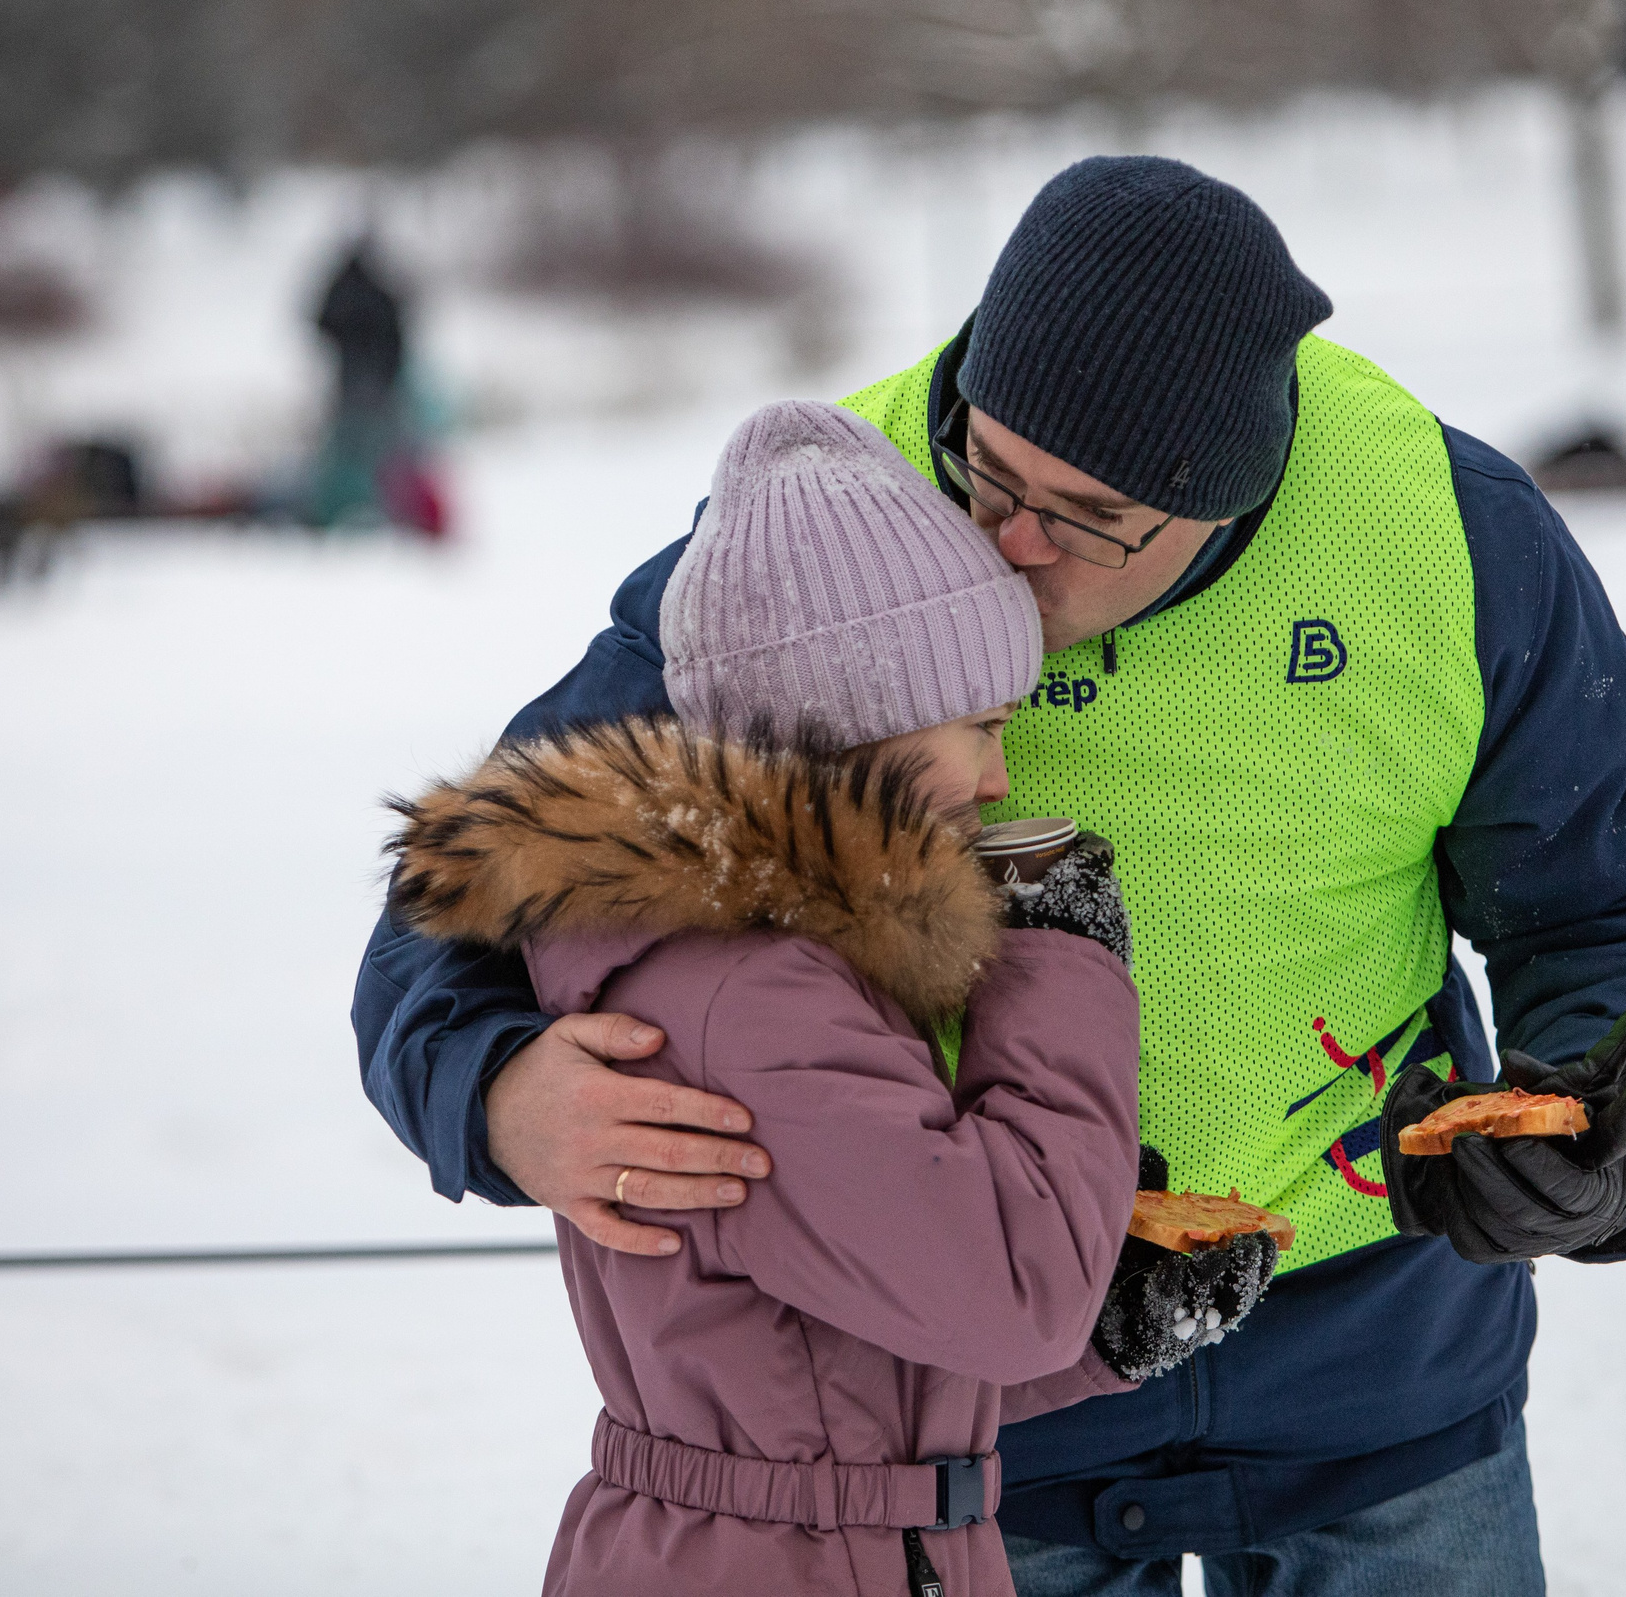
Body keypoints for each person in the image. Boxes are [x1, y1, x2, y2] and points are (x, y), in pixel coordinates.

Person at [356, 157, 1626, 1594]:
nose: (1007, 545)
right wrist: (489, 1085)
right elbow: (501, 861)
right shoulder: (830, 527)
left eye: (1083, 515)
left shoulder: (1441, 530)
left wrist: (1605, 1126)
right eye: (992, 468)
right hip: (982, 1419)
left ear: (1229, 498)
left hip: (1382, 1380)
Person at [384, 399, 1260, 1596]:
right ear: (863, 719)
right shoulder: (747, 990)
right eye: (980, 725)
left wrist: (1108, 1333)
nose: (1001, 778)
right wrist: (1062, 955)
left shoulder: (779, 957)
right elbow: (1008, 1296)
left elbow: (836, 1358)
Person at [309, 235, 407, 529]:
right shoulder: (381, 291)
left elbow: (321, 325)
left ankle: (351, 510)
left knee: (352, 452)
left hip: (352, 385)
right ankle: (374, 510)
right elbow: (399, 337)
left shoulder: (343, 293)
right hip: (373, 387)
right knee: (374, 454)